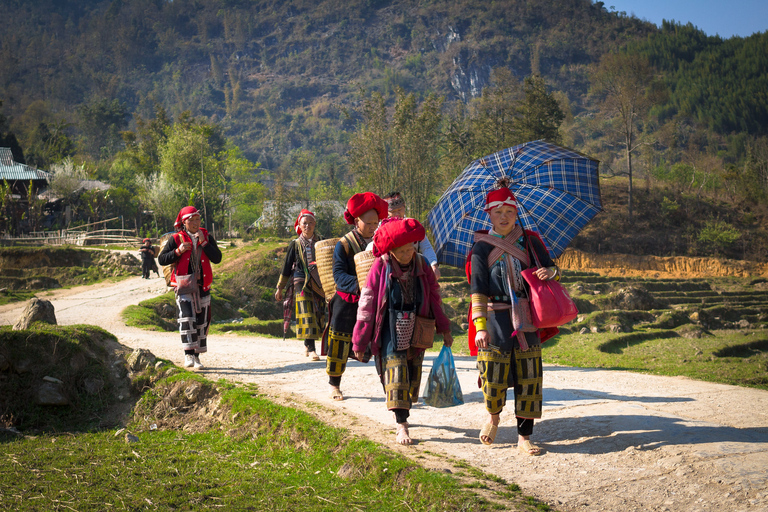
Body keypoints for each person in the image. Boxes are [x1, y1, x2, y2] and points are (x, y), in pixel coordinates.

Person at [468, 187, 560, 455]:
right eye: (499, 212)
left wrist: (550, 272)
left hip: (527, 317)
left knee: (529, 375)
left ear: (516, 213)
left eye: (509, 212)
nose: (504, 217)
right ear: (490, 215)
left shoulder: (530, 241)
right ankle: (493, 417)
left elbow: (553, 268)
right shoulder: (481, 248)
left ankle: (524, 437)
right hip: (495, 316)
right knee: (493, 375)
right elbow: (477, 290)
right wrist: (480, 327)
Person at [352, 217, 453, 445]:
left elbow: (435, 297)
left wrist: (444, 328)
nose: (409, 253)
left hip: (417, 326)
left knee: (411, 374)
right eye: (403, 250)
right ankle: (402, 424)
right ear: (391, 250)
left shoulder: (422, 264)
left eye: (411, 248)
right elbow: (367, 305)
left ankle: (403, 412)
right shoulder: (380, 266)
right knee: (396, 374)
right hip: (388, 327)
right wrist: (359, 341)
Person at [327, 192, 388, 401]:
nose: (373, 227)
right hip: (347, 301)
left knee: (382, 342)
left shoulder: (380, 242)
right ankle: (335, 384)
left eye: (375, 223)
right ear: (356, 221)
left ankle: (391, 388)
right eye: (368, 223)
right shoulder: (343, 245)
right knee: (340, 342)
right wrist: (360, 286)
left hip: (373, 302)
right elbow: (338, 275)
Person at [158, 206, 222, 370]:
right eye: (191, 220)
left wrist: (205, 243)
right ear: (183, 222)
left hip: (203, 286)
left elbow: (217, 258)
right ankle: (188, 354)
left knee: (201, 321)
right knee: (187, 318)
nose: (195, 223)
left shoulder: (206, 236)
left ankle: (197, 357)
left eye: (197, 220)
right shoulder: (176, 238)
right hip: (184, 285)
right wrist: (178, 251)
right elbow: (162, 259)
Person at [275, 209, 326, 361]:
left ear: (315, 224)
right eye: (305, 223)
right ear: (299, 225)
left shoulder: (322, 241)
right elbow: (286, 266)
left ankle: (307, 343)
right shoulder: (295, 244)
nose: (308, 226)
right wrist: (280, 288)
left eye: (311, 223)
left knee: (319, 313)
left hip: (319, 281)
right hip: (300, 281)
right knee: (306, 312)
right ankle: (311, 349)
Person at [381, 192, 441, 280]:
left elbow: (426, 247)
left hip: (414, 271)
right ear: (387, 213)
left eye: (400, 210)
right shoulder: (381, 229)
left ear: (404, 207)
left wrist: (433, 265)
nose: (397, 214)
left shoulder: (413, 226)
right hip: (389, 274)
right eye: (393, 211)